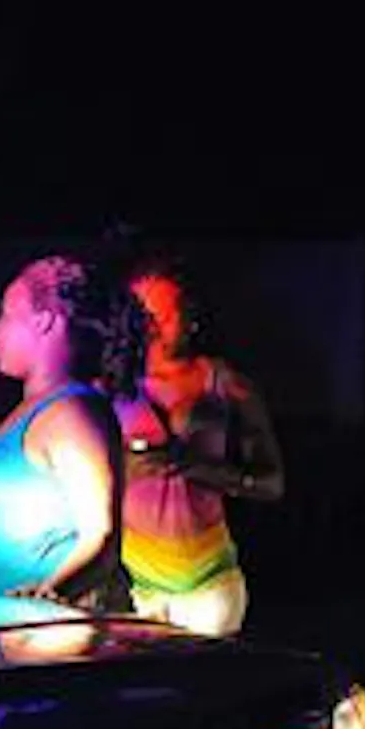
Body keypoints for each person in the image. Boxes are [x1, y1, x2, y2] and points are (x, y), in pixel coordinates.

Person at [0, 255, 146, 630]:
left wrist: (47, 599)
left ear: (45, 321)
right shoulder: (33, 412)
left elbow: (100, 535)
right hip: (1, 630)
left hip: (44, 636)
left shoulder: (72, 413)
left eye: (7, 315)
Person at [114, 262, 283, 637]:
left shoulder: (227, 385)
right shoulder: (111, 390)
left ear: (190, 316)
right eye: (145, 316)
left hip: (210, 586)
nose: (155, 327)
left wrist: (196, 467)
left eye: (166, 314)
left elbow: (271, 484)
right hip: (138, 591)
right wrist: (125, 468)